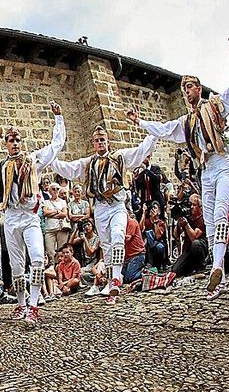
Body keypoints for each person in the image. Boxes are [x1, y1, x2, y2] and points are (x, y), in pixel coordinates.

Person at [128, 34, 229, 299]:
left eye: (190, 87)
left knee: (221, 211)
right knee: (212, 220)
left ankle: (216, 266)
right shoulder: (186, 122)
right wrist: (140, 122)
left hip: (223, 163)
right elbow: (166, 130)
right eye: (184, 89)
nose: (186, 92)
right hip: (207, 169)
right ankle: (219, 277)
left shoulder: (215, 105)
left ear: (199, 89)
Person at [0, 102, 65, 325]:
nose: (15, 144)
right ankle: (21, 303)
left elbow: (56, 146)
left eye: (17, 140)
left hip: (30, 216)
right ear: (5, 144)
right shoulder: (0, 166)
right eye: (11, 140)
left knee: (36, 258)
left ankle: (33, 306)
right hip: (11, 218)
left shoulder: (32, 161)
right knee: (16, 265)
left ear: (20, 143)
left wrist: (58, 119)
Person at [49, 124, 157, 304]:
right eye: (97, 141)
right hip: (100, 207)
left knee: (117, 236)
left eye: (102, 140)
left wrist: (153, 133)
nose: (100, 143)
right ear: (93, 143)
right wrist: (50, 159)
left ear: (107, 142)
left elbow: (140, 151)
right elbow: (69, 168)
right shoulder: (88, 163)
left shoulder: (119, 157)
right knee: (106, 244)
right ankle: (109, 280)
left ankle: (116, 278)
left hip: (116, 206)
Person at [170, 194, 208, 277]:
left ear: (199, 206)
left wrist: (186, 224)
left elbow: (194, 237)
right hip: (187, 249)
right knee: (175, 271)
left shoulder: (202, 218)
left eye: (194, 205)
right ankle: (190, 267)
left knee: (195, 244)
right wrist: (179, 223)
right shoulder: (187, 216)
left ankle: (201, 266)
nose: (191, 207)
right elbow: (175, 235)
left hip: (199, 247)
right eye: (190, 205)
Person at [41, 183, 70, 262]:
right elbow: (45, 213)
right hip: (49, 229)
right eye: (53, 189)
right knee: (50, 251)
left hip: (61, 228)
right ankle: (53, 268)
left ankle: (60, 268)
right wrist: (57, 211)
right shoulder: (46, 202)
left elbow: (64, 214)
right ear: (49, 191)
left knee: (61, 251)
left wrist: (52, 215)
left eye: (57, 189)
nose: (55, 191)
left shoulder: (63, 202)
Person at [122, 211, 146, 284]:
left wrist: (118, 234)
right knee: (123, 277)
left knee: (129, 277)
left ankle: (146, 272)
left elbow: (128, 238)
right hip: (128, 256)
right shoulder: (123, 225)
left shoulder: (132, 222)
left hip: (137, 254)